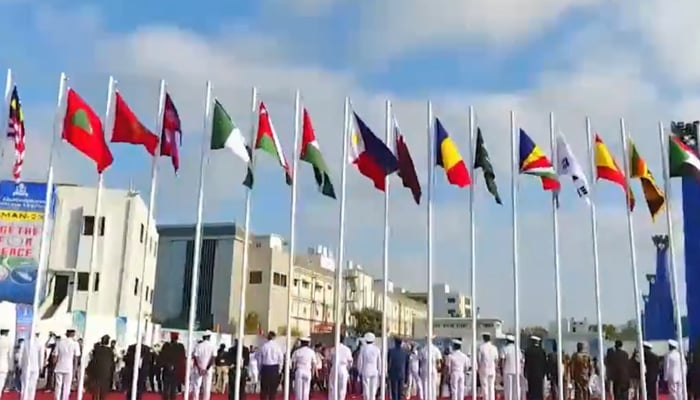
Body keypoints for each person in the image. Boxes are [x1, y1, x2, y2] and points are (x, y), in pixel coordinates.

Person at [53, 329, 80, 400]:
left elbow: (55, 356)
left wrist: (54, 364)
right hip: (69, 367)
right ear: (73, 334)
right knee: (67, 386)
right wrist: (75, 369)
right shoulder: (75, 344)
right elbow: (76, 358)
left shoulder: (59, 342)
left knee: (58, 386)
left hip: (59, 366)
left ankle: (57, 398)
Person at [159, 332, 186, 400]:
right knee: (173, 389)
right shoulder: (180, 347)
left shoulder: (166, 346)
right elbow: (182, 359)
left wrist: (166, 365)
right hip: (175, 370)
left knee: (166, 388)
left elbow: (161, 357)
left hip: (167, 369)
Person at [87, 335, 114, 400]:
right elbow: (112, 363)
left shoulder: (97, 349)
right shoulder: (110, 351)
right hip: (106, 373)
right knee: (103, 391)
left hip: (96, 372)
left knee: (95, 390)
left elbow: (92, 360)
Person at [257, 331, 283, 400]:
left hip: (265, 368)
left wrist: (260, 370)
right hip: (274, 368)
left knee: (264, 390)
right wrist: (279, 370)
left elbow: (260, 359)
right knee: (273, 390)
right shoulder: (277, 346)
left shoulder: (264, 346)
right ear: (274, 337)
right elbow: (281, 359)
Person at [192, 331, 216, 400]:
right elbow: (213, 359)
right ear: (209, 337)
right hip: (208, 369)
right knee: (207, 387)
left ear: (203, 337)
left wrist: (200, 368)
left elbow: (195, 358)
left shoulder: (198, 346)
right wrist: (207, 369)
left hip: (199, 369)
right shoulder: (212, 346)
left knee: (196, 386)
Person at [20, 332, 44, 400]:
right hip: (35, 367)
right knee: (32, 386)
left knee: (24, 386)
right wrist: (41, 367)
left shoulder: (24, 342)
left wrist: (20, 366)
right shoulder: (40, 343)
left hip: (25, 367)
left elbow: (20, 356)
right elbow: (41, 357)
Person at [328, 334, 352, 400]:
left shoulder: (333, 349)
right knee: (342, 387)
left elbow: (329, 360)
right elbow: (350, 361)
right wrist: (347, 369)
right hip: (343, 368)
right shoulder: (347, 349)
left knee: (333, 387)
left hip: (334, 367)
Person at [357, 332, 381, 400]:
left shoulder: (363, 349)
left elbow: (360, 361)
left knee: (366, 387)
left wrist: (360, 370)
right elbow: (379, 361)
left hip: (366, 369)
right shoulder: (377, 349)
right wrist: (379, 371)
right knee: (373, 388)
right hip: (374, 370)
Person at [523, 336, 546, 400]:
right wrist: (544, 373)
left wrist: (525, 372)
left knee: (531, 390)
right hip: (539, 374)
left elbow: (526, 363)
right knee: (539, 390)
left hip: (531, 373)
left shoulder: (528, 351)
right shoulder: (542, 351)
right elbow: (544, 363)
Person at [478, 333, 499, 400]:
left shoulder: (481, 347)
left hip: (484, 369)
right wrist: (495, 367)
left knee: (485, 386)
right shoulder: (494, 348)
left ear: (483, 338)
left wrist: (479, 368)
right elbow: (496, 360)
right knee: (491, 387)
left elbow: (479, 359)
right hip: (492, 369)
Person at [501, 335, 520, 400]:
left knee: (508, 388)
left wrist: (502, 370)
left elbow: (503, 360)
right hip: (517, 370)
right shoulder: (517, 349)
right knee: (515, 388)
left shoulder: (505, 349)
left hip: (508, 370)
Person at [0, 329, 11, 398]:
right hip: (3, 366)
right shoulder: (8, 342)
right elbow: (10, 356)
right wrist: (11, 367)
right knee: (0, 384)